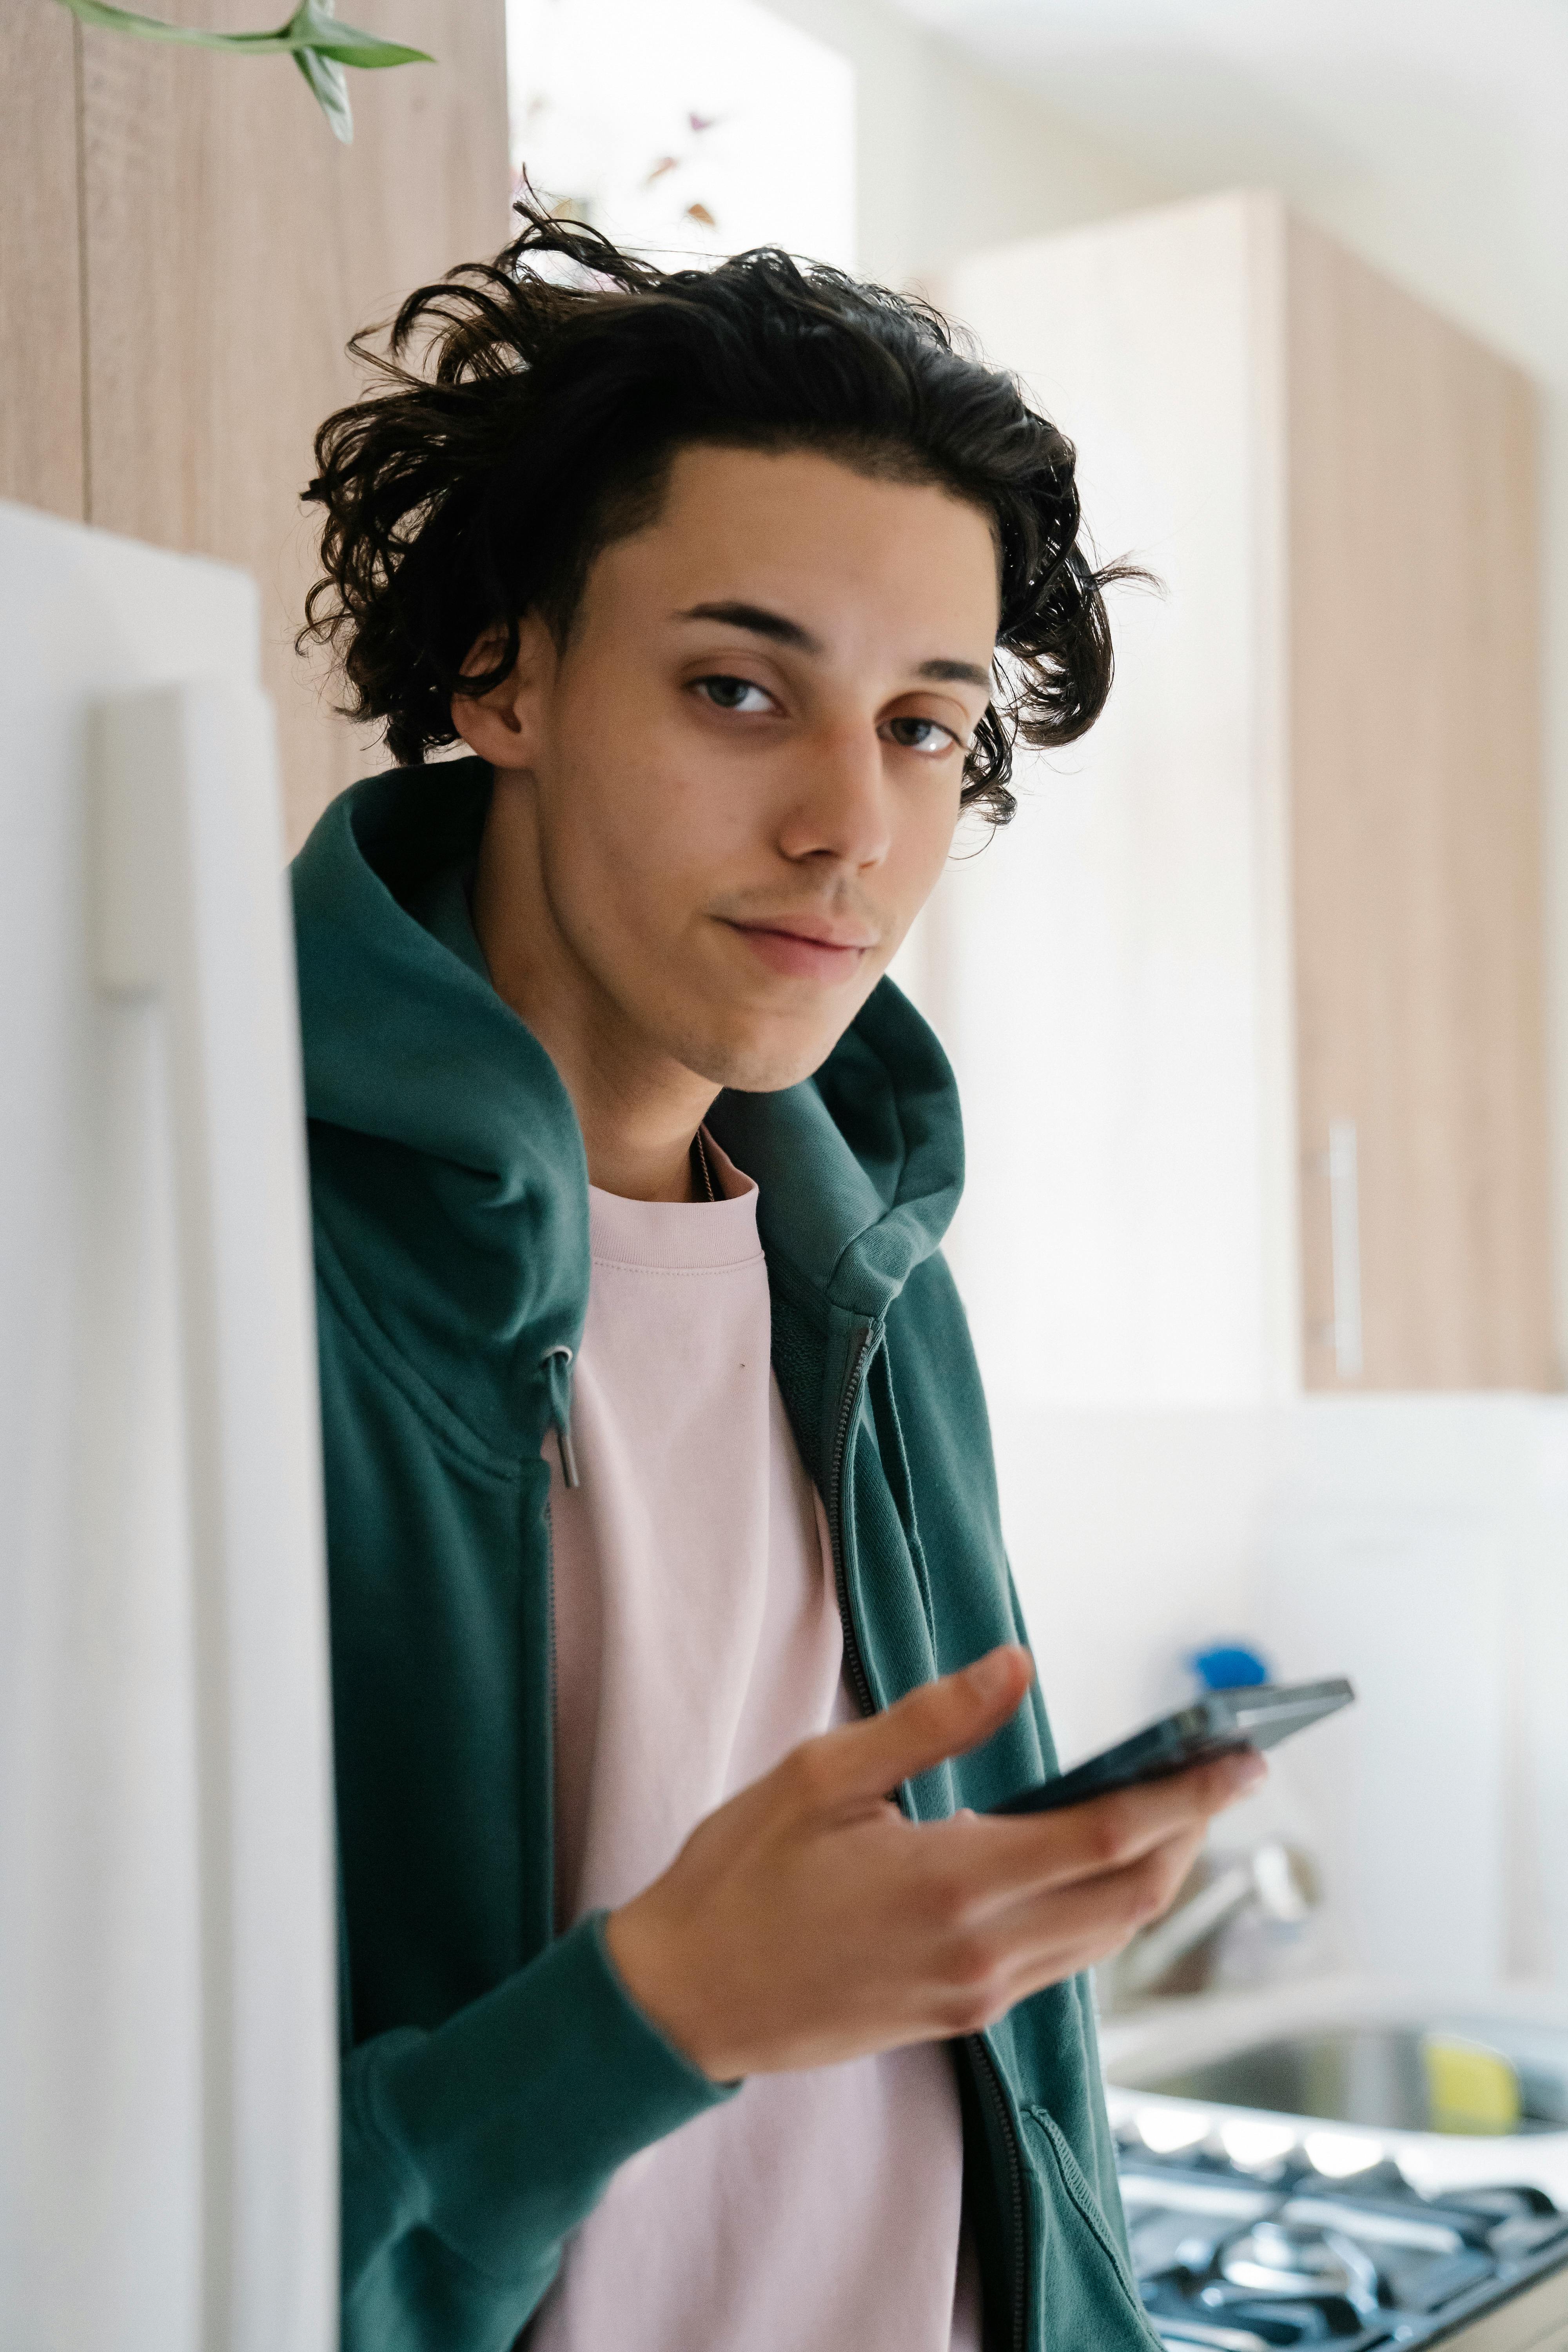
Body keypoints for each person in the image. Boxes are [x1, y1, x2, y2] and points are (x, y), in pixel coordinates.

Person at [292, 201, 1263, 2352]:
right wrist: (658, 2012)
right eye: (742, 690)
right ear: (502, 674)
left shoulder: (878, 1267)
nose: (853, 825)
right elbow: (117, 2229)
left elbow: (1013, 2110)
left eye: (924, 726)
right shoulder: (231, 1275)